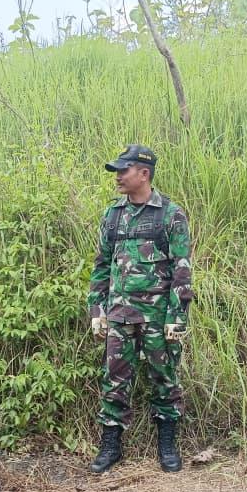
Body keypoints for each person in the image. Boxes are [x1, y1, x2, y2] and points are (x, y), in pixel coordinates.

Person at [87, 144, 193, 473]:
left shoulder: (169, 214)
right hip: (119, 315)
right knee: (114, 380)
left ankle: (167, 444)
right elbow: (101, 265)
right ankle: (111, 446)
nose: (118, 176)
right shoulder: (113, 215)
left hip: (158, 317)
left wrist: (177, 317)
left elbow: (182, 268)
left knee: (164, 378)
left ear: (144, 173)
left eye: (124, 170)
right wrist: (96, 309)